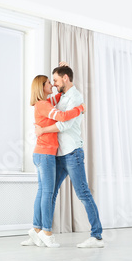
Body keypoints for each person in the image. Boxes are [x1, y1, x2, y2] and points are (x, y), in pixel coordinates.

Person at [35, 63, 104, 248]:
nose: (55, 84)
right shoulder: (62, 96)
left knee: (83, 194)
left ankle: (97, 236)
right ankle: (41, 231)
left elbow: (64, 124)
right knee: (50, 193)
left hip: (72, 153)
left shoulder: (75, 97)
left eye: (56, 80)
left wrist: (42, 130)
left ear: (65, 78)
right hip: (59, 154)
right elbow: (52, 105)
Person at [21, 75, 86, 248]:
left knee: (42, 192)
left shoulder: (44, 102)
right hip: (46, 155)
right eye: (49, 83)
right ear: (42, 87)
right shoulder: (43, 105)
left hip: (41, 154)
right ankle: (47, 232)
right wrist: (80, 109)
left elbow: (61, 95)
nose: (52, 84)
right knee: (48, 193)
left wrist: (62, 80)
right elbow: (63, 116)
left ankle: (36, 230)